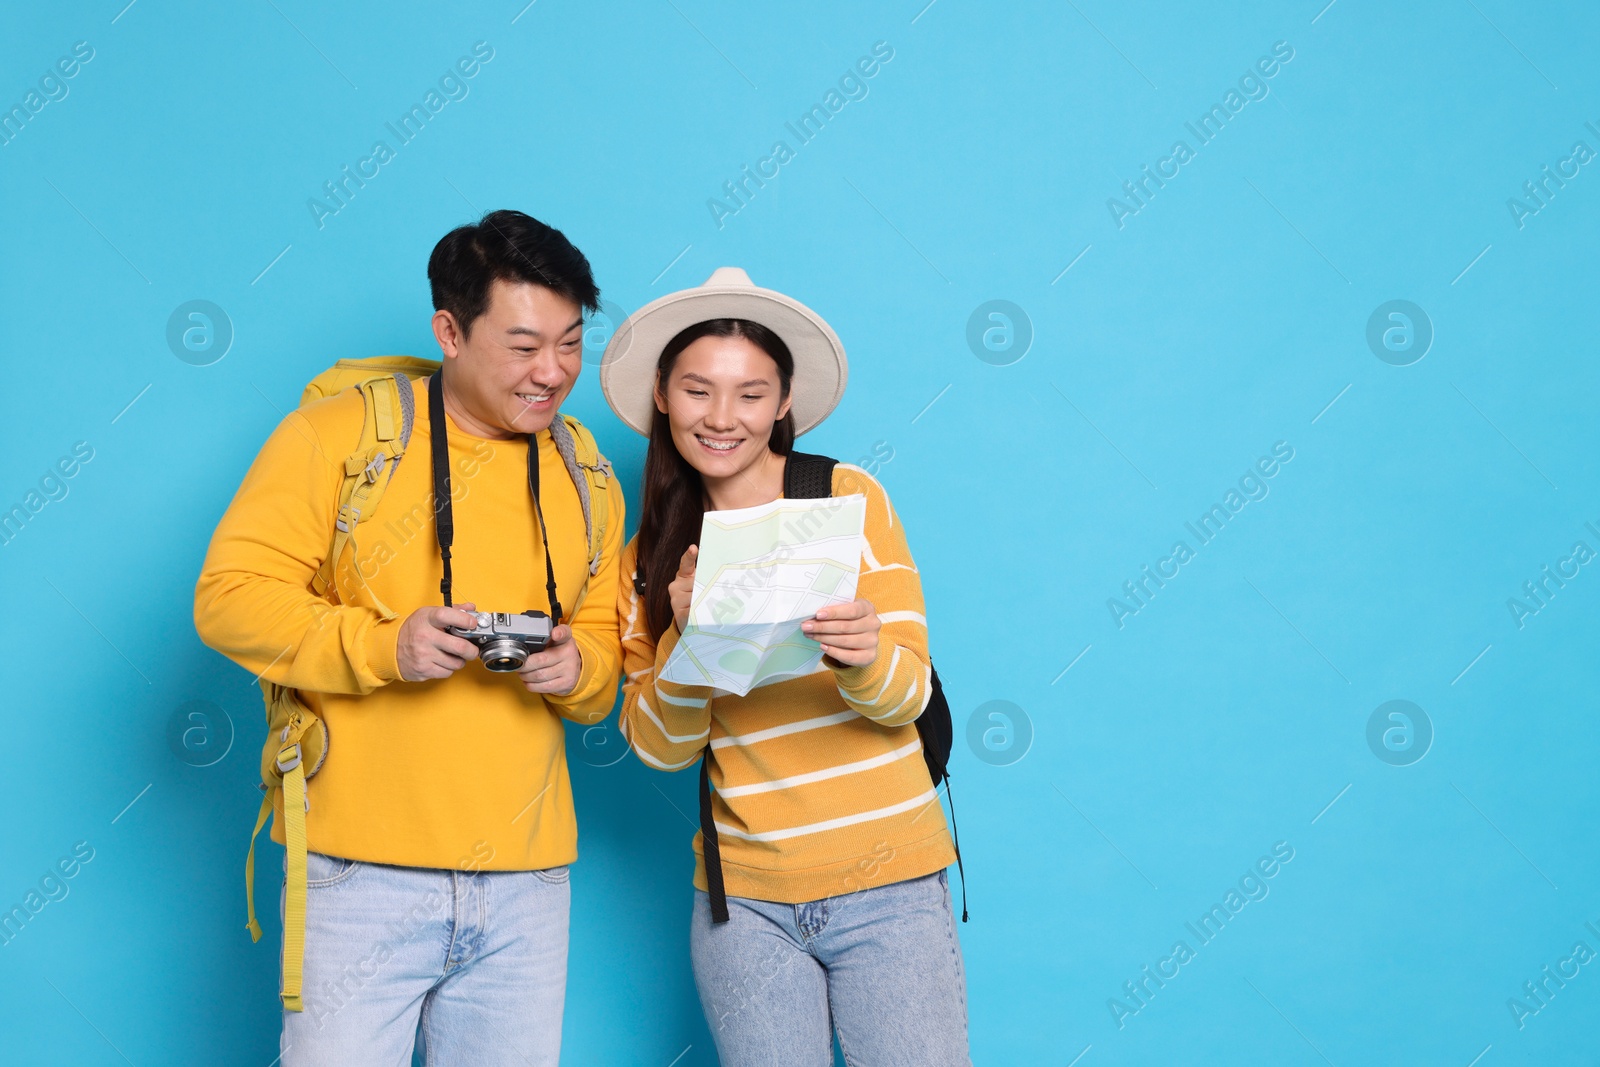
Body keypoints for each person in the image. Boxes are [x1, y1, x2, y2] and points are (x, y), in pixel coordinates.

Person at [193, 209, 625, 1065]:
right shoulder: (342, 435)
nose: (554, 373)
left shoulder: (586, 468)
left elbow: (610, 654)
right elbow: (229, 597)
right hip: (358, 874)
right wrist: (383, 646)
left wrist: (580, 668)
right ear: (450, 332)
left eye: (573, 343)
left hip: (529, 882)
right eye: (525, 345)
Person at [600, 268, 971, 1066]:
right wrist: (687, 640)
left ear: (782, 401)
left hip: (891, 886)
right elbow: (660, 748)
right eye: (699, 390)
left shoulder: (844, 498)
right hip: (744, 904)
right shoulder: (645, 564)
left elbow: (907, 694)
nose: (723, 417)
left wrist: (864, 654)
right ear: (663, 395)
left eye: (750, 393)